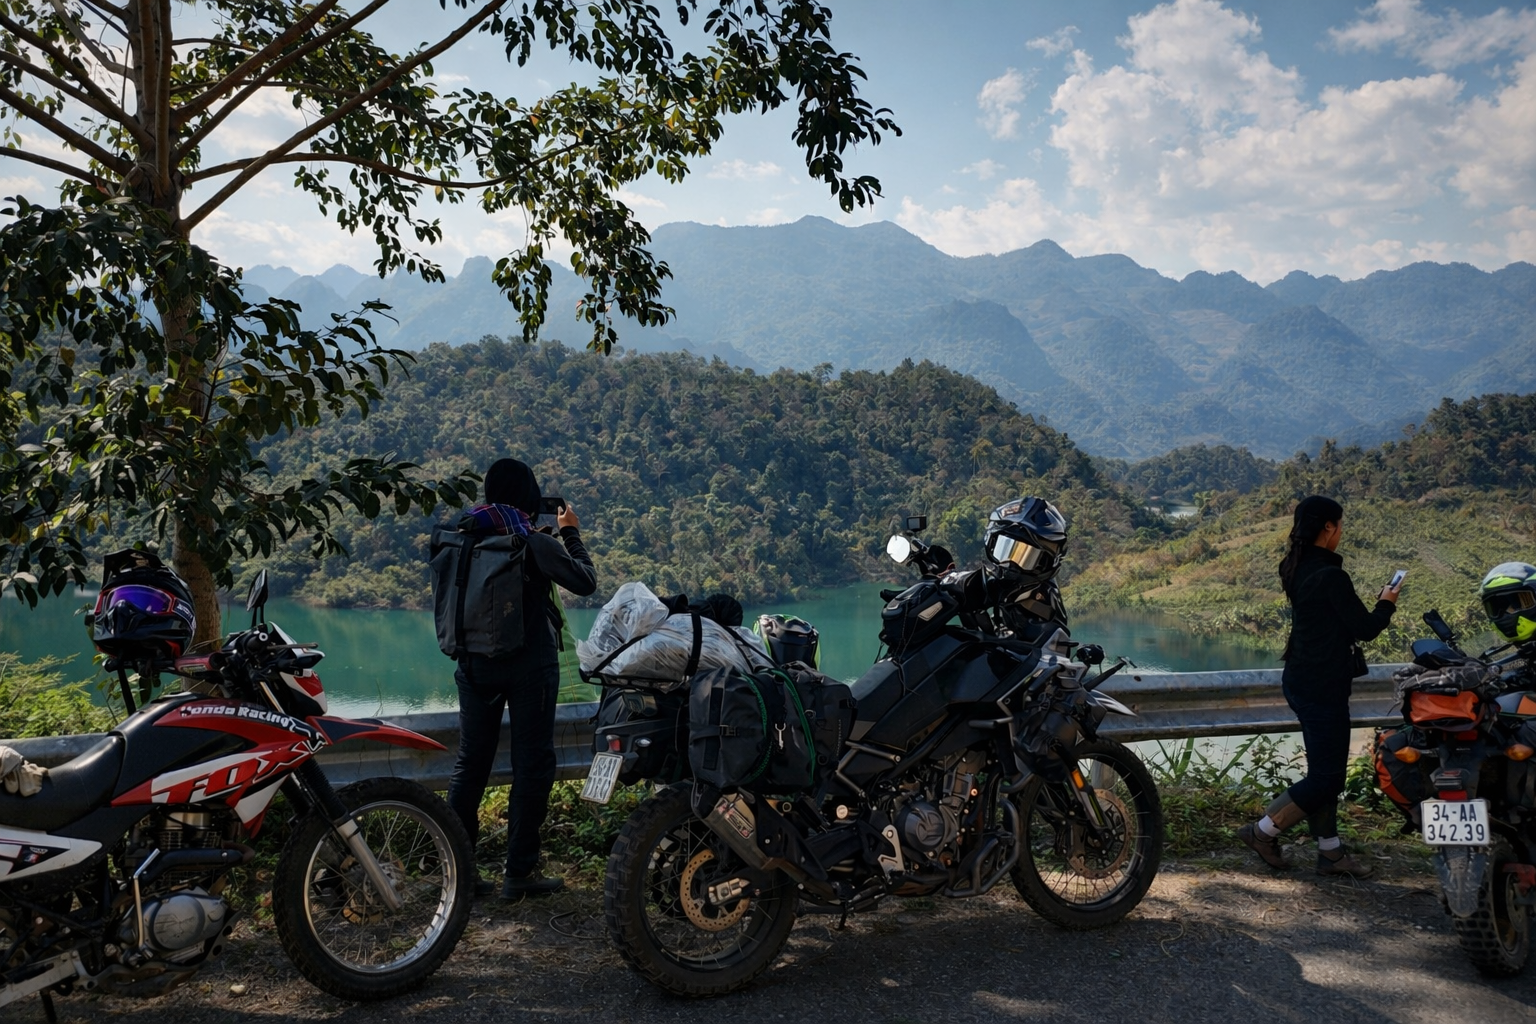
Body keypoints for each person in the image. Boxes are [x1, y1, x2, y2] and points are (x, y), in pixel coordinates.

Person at [445, 458, 596, 899]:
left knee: (470, 765)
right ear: (529, 494)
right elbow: (585, 582)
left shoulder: (464, 535)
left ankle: (461, 874)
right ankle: (520, 872)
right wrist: (570, 532)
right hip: (531, 667)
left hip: (473, 664)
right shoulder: (532, 541)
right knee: (532, 764)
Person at [1237, 495, 1398, 876]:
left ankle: (1330, 851)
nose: (1341, 532)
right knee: (1328, 777)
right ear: (1328, 527)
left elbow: (1330, 620)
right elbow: (1367, 628)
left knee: (1322, 773)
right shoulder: (1331, 576)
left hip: (1301, 677)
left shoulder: (1295, 567)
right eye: (1340, 525)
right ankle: (1262, 831)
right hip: (1321, 685)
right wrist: (1387, 601)